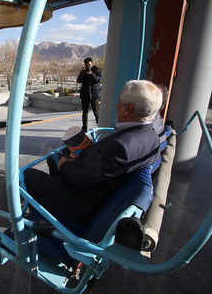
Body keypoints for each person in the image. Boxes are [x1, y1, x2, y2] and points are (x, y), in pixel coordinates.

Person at [24, 80, 163, 225]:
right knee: (56, 158)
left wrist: (65, 164)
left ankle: (39, 219)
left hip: (80, 205)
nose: (116, 105)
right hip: (100, 188)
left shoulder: (120, 147)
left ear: (128, 108)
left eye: (119, 102)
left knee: (28, 175)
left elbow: (82, 180)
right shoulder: (152, 137)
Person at [77, 57, 102, 132]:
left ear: (92, 63)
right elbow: (79, 80)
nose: (88, 67)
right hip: (85, 94)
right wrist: (82, 73)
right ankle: (84, 128)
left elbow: (98, 80)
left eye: (89, 65)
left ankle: (99, 126)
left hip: (94, 94)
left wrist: (91, 74)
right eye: (86, 65)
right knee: (84, 112)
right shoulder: (83, 71)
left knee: (96, 112)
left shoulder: (98, 70)